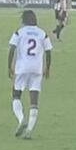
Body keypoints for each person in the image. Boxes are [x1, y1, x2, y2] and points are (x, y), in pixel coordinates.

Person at [7, 9, 54, 139]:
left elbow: (12, 49)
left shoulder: (20, 32)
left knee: (16, 95)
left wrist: (9, 66)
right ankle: (29, 130)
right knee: (34, 99)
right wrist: (47, 67)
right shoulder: (42, 33)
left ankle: (21, 119)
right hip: (37, 69)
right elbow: (48, 51)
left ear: (24, 20)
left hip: (22, 68)